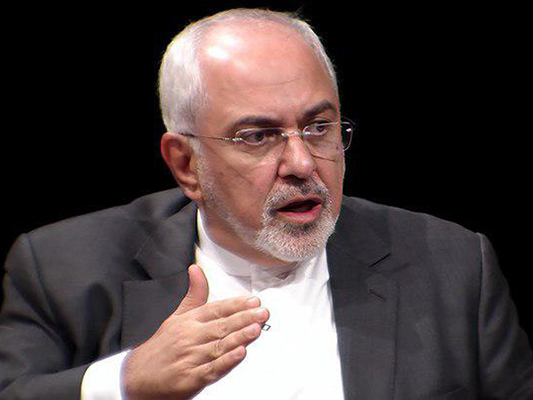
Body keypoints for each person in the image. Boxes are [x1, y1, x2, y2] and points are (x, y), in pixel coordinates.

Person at [1, 8, 532, 400]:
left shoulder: (454, 267)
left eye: (318, 127)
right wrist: (125, 382)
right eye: (257, 136)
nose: (301, 163)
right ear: (185, 164)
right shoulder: (63, 270)